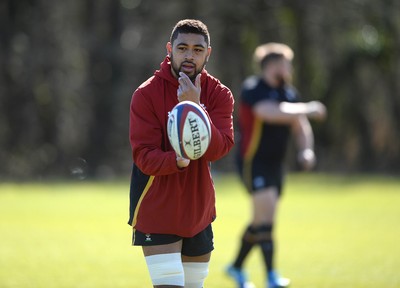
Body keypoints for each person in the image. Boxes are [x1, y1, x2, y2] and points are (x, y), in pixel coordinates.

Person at [128, 19, 234, 288]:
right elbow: (144, 156)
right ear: (169, 49)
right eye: (182, 48)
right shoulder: (146, 94)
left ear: (208, 53)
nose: (189, 56)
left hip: (198, 209)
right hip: (157, 206)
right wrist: (177, 159)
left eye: (198, 50)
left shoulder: (220, 94)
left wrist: (195, 106)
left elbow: (222, 146)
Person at [226, 43, 327, 288]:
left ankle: (236, 267)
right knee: (267, 216)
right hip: (253, 160)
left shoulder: (289, 93)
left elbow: (299, 125)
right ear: (272, 65)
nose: (289, 68)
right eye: (286, 63)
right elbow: (268, 112)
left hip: (276, 164)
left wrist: (306, 150)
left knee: (261, 220)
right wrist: (310, 108)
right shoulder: (253, 88)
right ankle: (271, 276)